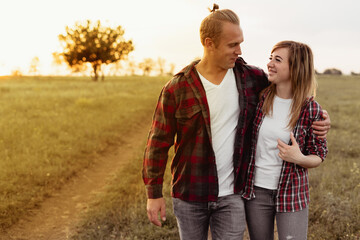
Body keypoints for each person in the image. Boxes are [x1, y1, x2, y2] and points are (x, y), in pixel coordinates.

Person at [142, 5, 330, 240]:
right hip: (190, 193)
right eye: (233, 45)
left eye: (240, 43)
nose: (239, 50)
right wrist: (154, 194)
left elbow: (291, 92)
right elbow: (157, 143)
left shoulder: (251, 78)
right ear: (209, 43)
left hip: (233, 195)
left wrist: (320, 115)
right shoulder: (177, 88)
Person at [242, 41, 328, 240]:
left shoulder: (310, 108)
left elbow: (319, 154)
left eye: (278, 60)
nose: (270, 64)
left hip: (292, 192)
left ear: (296, 68)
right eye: (270, 58)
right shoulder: (260, 98)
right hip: (257, 192)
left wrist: (298, 158)